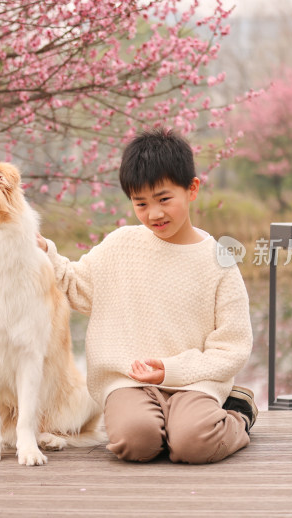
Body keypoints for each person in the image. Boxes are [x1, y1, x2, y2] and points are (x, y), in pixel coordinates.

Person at [37, 128, 258, 464]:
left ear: (192, 189)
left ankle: (238, 414)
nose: (154, 213)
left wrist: (170, 370)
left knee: (193, 444)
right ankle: (167, 425)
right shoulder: (121, 244)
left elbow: (233, 347)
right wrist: (45, 253)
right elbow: (75, 284)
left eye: (164, 199)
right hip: (128, 379)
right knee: (136, 442)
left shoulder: (219, 261)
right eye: (141, 203)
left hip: (194, 382)